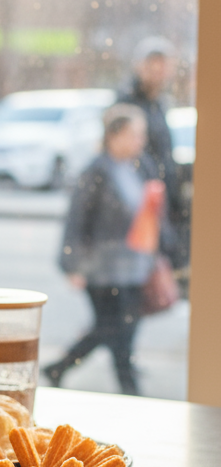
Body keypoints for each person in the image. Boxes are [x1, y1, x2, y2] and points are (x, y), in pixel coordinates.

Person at [44, 104, 168, 396]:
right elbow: (77, 221)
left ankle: (60, 367)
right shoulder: (96, 172)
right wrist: (72, 265)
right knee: (117, 331)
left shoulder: (136, 168)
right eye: (135, 134)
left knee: (114, 328)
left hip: (133, 267)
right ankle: (130, 389)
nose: (141, 141)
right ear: (115, 136)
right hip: (102, 270)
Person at [118, 37, 190, 271]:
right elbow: (126, 152)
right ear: (139, 66)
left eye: (163, 66)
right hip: (142, 196)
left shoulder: (158, 103)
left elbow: (165, 152)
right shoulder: (128, 101)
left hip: (159, 193)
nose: (158, 72)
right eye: (152, 66)